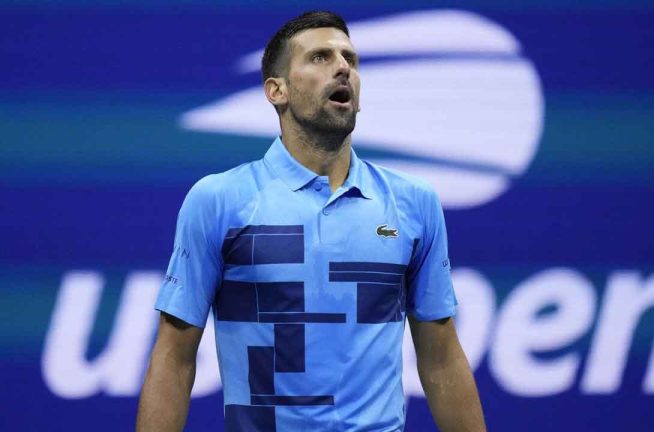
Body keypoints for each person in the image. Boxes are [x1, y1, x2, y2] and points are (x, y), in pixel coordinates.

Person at [136, 10, 486, 432]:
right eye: (320, 57)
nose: (342, 68)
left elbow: (442, 358)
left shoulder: (414, 203)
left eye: (350, 60)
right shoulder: (218, 200)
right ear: (276, 90)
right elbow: (174, 357)